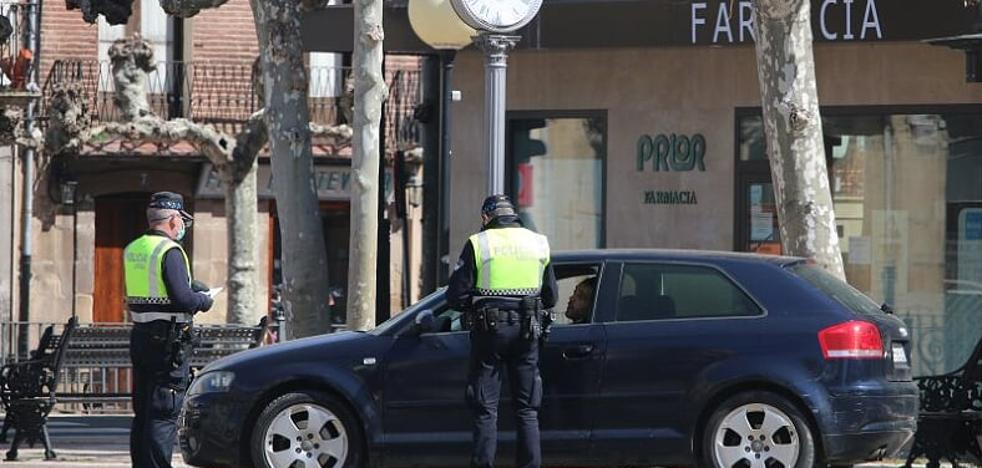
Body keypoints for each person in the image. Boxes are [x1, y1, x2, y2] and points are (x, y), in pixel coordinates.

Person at [447, 194, 558, 468]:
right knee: (528, 409)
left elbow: (455, 296)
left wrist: (474, 303)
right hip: (528, 330)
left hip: (490, 332)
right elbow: (551, 296)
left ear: (487, 217)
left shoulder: (479, 243)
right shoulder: (538, 243)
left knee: (486, 409)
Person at [124, 192, 213, 468]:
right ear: (174, 220)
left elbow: (156, 289)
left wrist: (188, 289)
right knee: (164, 411)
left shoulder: (134, 248)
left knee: (144, 411)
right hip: (168, 342)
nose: (183, 226)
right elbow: (183, 299)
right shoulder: (170, 251)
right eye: (182, 220)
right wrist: (203, 299)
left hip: (141, 336)